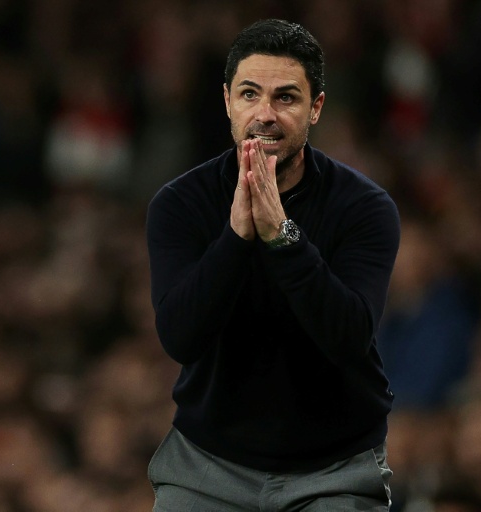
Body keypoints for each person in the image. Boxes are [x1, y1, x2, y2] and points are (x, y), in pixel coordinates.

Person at [145, 19, 401, 511]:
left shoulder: (365, 208)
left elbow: (349, 337)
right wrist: (236, 237)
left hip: (334, 469)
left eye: (285, 97)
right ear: (227, 101)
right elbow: (180, 337)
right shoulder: (180, 204)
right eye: (249, 94)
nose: (264, 114)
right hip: (206, 466)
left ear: (315, 108)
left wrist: (282, 236)